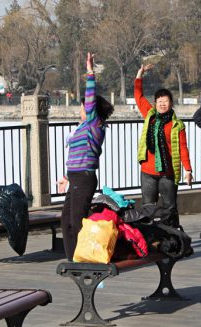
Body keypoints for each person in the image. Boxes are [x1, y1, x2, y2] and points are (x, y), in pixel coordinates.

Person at [57, 52, 114, 261]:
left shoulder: (94, 125)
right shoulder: (83, 127)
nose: (81, 108)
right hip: (76, 177)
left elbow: (90, 98)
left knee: (77, 220)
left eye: (83, 106)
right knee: (67, 220)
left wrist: (90, 72)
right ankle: (73, 258)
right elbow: (76, 155)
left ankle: (82, 258)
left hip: (84, 178)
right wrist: (66, 176)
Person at [134, 63, 193, 227]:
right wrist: (140, 74)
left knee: (170, 207)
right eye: (159, 101)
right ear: (155, 103)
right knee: (147, 207)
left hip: (168, 172)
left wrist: (188, 169)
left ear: (171, 103)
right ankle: (150, 240)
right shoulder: (150, 115)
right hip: (148, 171)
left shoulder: (177, 125)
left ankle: (173, 236)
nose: (162, 104)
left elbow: (183, 148)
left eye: (165, 101)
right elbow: (138, 96)